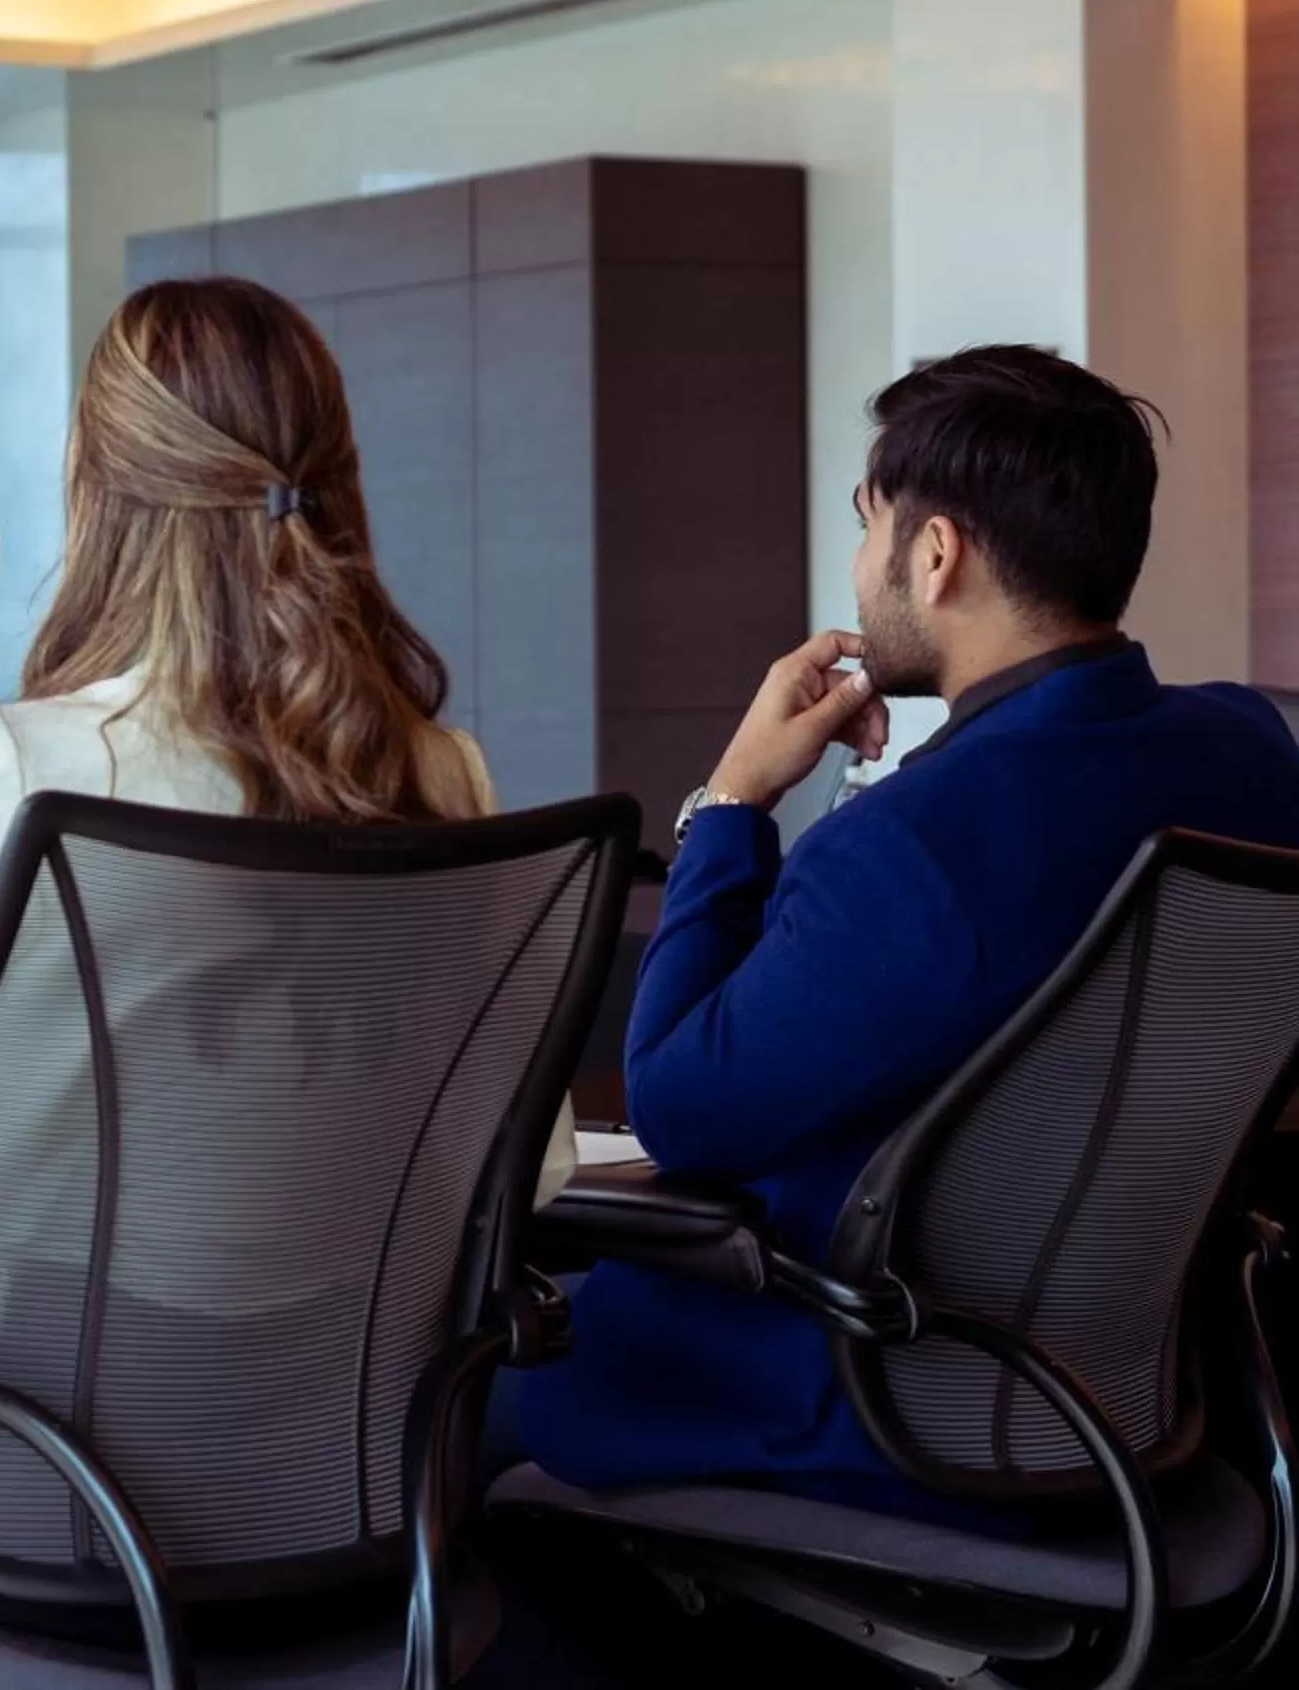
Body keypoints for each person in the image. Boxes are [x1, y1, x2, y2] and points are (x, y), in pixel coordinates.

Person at [0, 276, 563, 1688]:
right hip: (349, 1485)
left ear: (100, 491)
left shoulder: (30, 762)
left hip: (54, 1489)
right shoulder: (436, 771)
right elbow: (529, 1172)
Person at [516, 345, 1299, 1514]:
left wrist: (733, 800)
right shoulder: (1253, 750)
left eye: (868, 523)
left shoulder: (918, 840)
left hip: (875, 1391)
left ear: (935, 554)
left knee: (473, 1394)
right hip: (1139, 1388)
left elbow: (678, 1104)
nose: (858, 563)